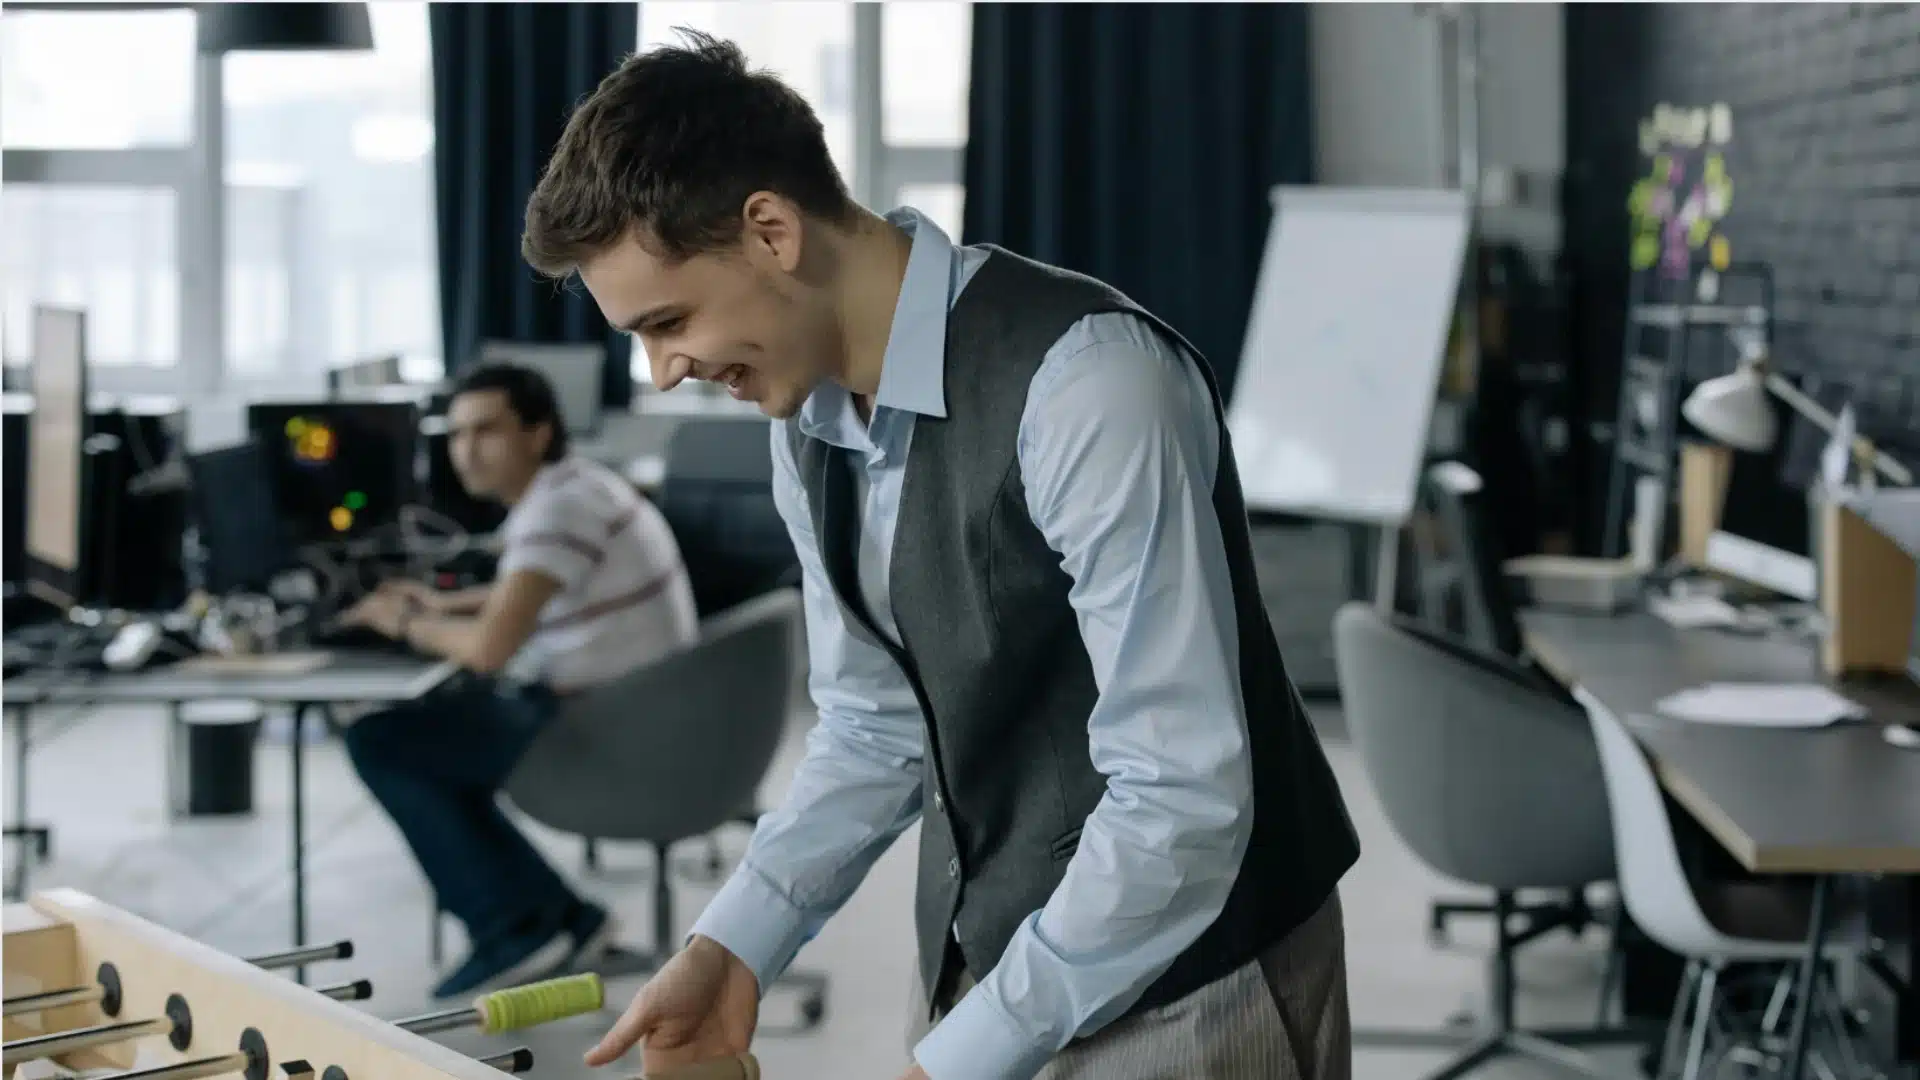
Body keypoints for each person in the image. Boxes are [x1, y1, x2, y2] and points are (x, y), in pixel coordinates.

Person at [524, 33, 1360, 1080]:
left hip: (1199, 990)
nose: (661, 374)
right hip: (998, 972)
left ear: (771, 230)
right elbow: (876, 727)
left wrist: (957, 1057)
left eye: (669, 321)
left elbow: (1182, 796)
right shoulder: (806, 423)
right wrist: (733, 948)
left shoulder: (1088, 384)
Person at [337, 361, 699, 999]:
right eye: (456, 436)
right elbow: (527, 592)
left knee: (382, 740)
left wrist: (404, 622)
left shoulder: (556, 511)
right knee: (436, 740)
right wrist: (444, 605)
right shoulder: (573, 486)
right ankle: (560, 916)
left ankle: (512, 925)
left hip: (613, 735)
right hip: (643, 712)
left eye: (486, 432)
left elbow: (488, 650)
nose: (466, 452)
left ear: (537, 432)